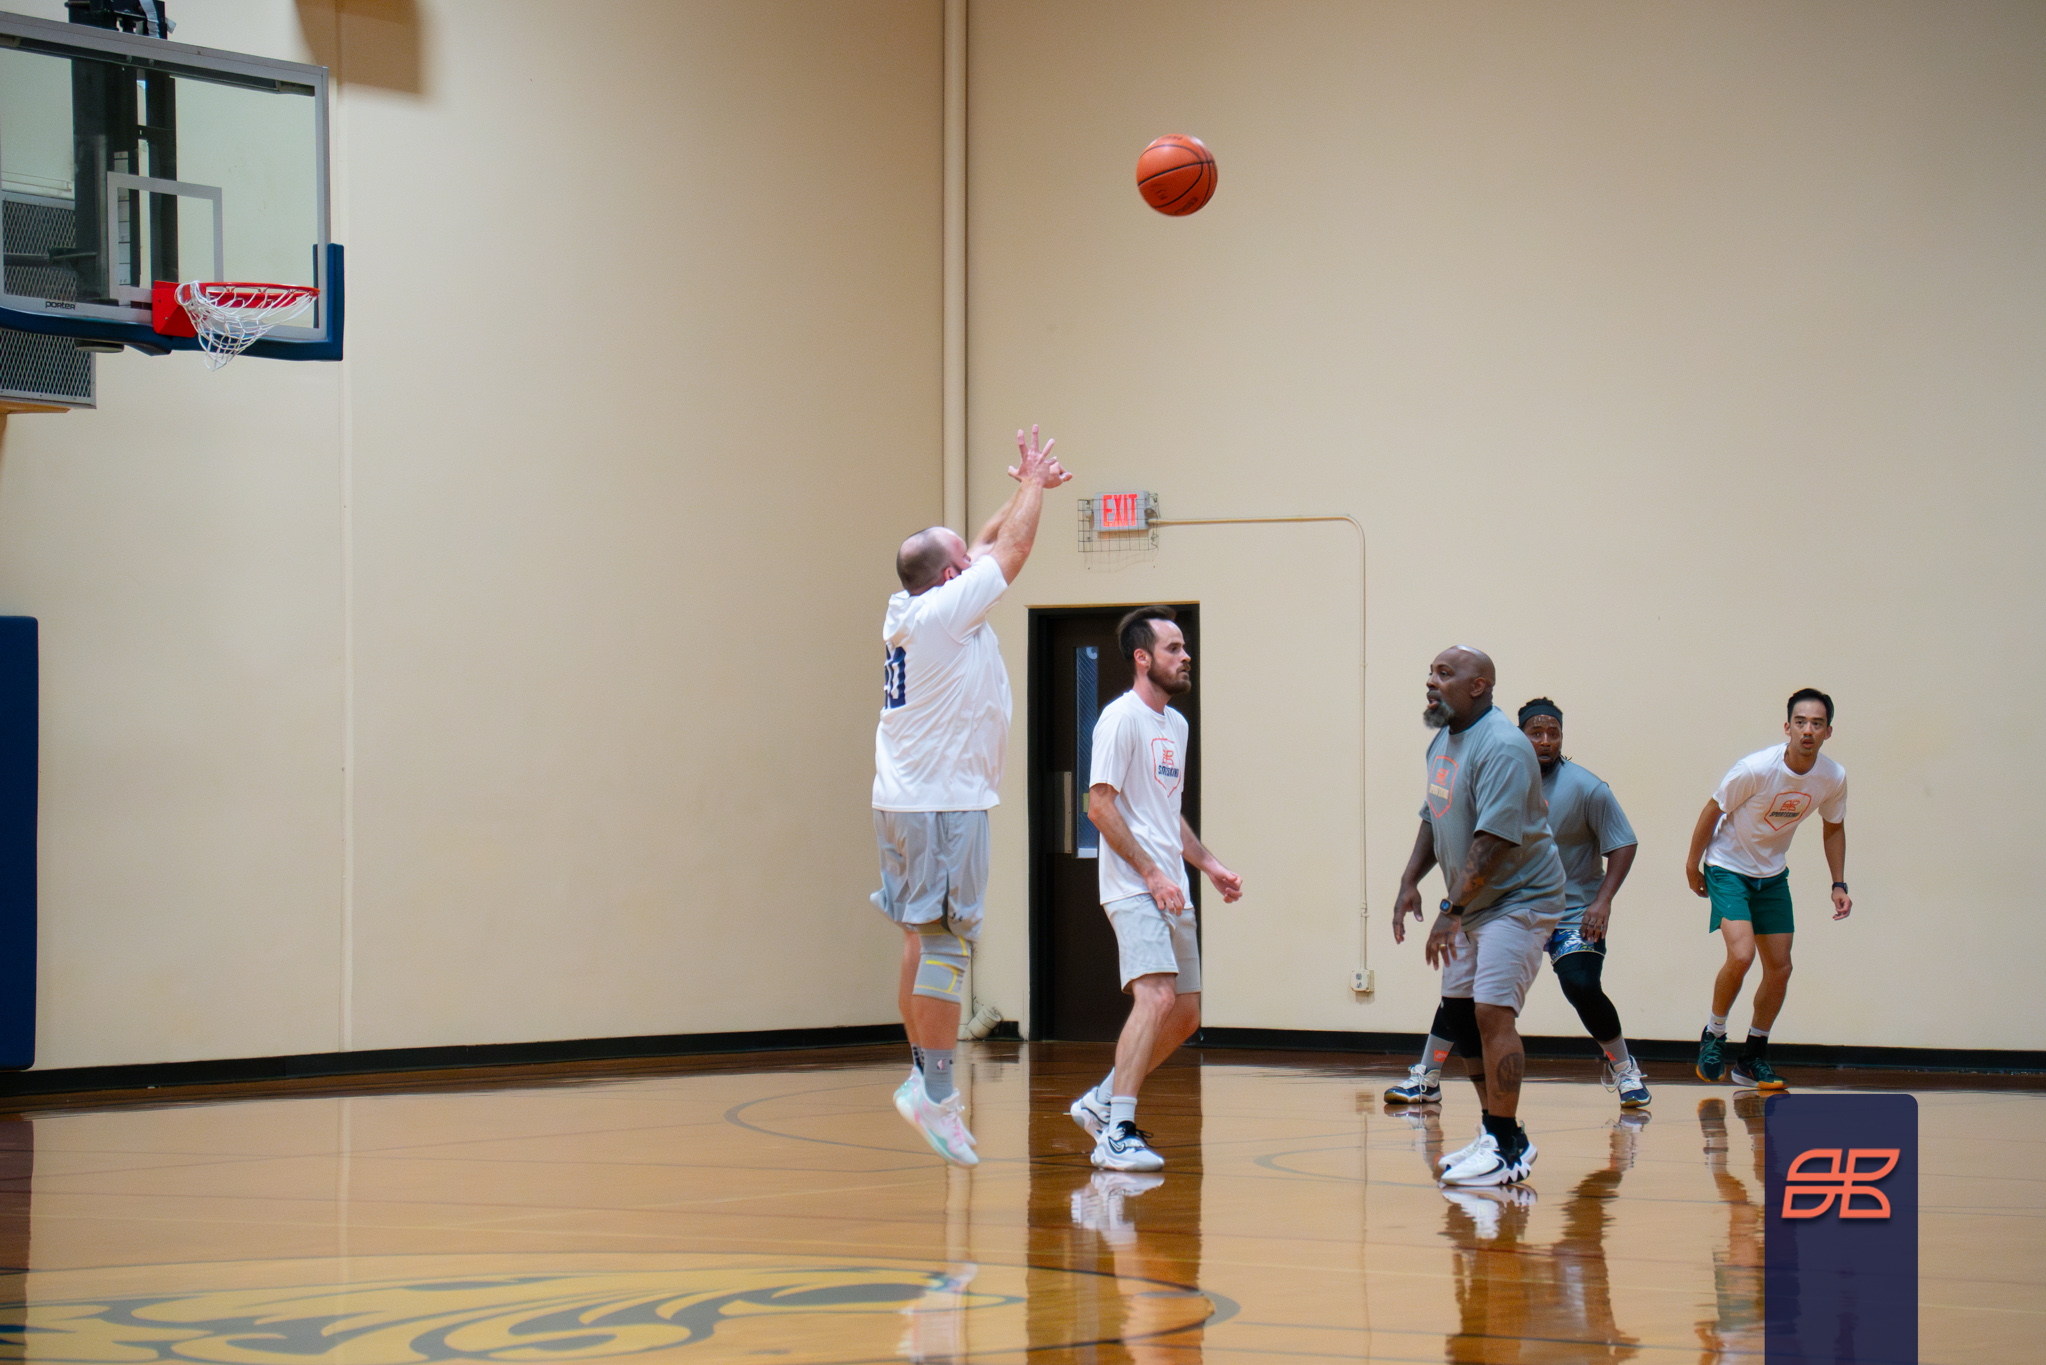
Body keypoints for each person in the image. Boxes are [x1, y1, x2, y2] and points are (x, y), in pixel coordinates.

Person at [872, 425, 1070, 1166]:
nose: (977, 555)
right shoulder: (948, 614)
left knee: (919, 936)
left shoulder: (914, 607)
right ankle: (936, 1093)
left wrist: (1021, 490)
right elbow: (1012, 549)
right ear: (952, 576)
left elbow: (988, 542)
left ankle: (920, 1077)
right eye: (964, 558)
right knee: (948, 946)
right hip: (942, 805)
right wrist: (1033, 490)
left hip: (904, 800)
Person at [1385, 697, 1648, 1110]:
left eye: (1553, 733)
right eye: (1535, 733)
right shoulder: (1494, 771)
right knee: (1463, 997)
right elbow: (1435, 818)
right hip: (1500, 905)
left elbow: (1623, 843)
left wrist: (1603, 901)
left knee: (1581, 985)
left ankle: (1624, 1068)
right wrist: (1411, 880)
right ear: (1519, 737)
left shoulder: (1587, 788)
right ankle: (1428, 1075)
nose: (1545, 741)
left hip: (1569, 911)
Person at [1066, 606, 1242, 1173]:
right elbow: (1099, 806)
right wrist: (1149, 872)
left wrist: (1208, 865)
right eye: (1173, 648)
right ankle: (1116, 1132)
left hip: (1171, 886)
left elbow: (1167, 815)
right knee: (1157, 996)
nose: (1185, 656)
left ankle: (1100, 1101)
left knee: (1185, 1014)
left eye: (1184, 647)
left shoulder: (1176, 726)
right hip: (1134, 886)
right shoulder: (1120, 720)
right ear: (1142, 658)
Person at [1392, 647, 1566, 1187]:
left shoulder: (1504, 746)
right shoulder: (1443, 741)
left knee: (1492, 1013)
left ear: (1479, 686)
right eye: (1430, 672)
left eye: (1444, 674)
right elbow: (1433, 816)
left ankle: (1507, 1145)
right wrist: (1408, 882)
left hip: (1520, 899)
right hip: (1474, 903)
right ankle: (1498, 1133)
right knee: (1460, 1014)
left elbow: (1493, 840)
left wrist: (1452, 909)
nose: (1431, 681)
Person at [1685, 688, 1851, 1092]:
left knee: (1780, 968)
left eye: (1816, 724)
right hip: (1728, 868)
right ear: (1787, 727)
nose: (1807, 731)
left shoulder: (1832, 777)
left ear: (1828, 731)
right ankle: (1714, 1034)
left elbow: (1833, 827)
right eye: (1800, 722)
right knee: (1742, 954)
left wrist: (1838, 883)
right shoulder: (1755, 769)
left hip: (1772, 875)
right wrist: (1692, 864)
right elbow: (1713, 810)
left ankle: (1752, 1056)